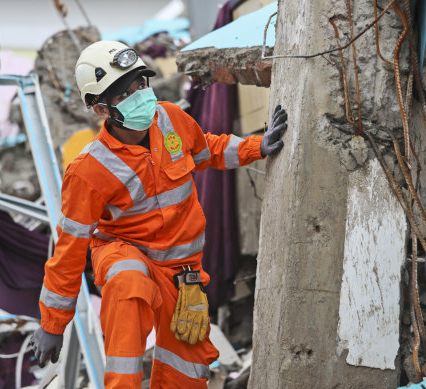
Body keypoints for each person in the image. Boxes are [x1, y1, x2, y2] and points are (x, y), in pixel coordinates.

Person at [29, 40, 287, 388]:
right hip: (127, 255)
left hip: (183, 273)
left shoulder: (169, 119)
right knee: (128, 282)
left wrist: (257, 146)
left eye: (140, 84)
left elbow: (206, 148)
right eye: (124, 93)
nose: (139, 96)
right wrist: (52, 325)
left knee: (187, 372)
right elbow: (69, 252)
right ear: (101, 109)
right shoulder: (88, 171)